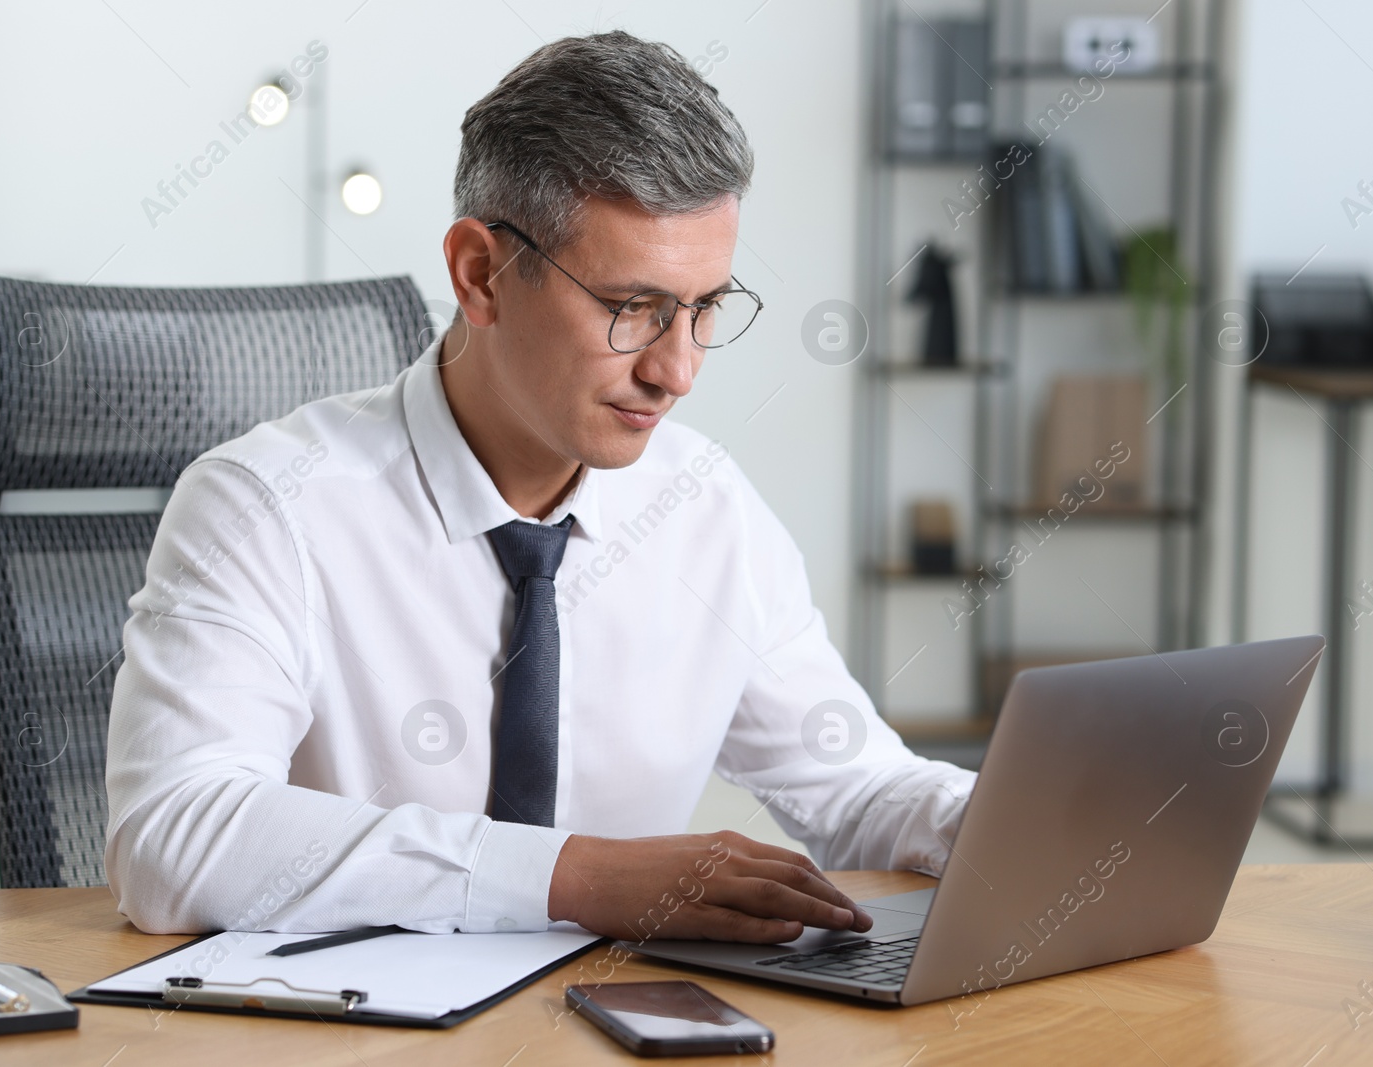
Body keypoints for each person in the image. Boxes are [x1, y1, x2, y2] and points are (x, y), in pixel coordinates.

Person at [105, 29, 977, 943]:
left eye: (707, 308)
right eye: (631, 307)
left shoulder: (707, 507)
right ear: (481, 274)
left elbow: (862, 785)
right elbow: (172, 836)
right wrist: (576, 876)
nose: (677, 371)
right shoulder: (266, 504)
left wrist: (1027, 819)